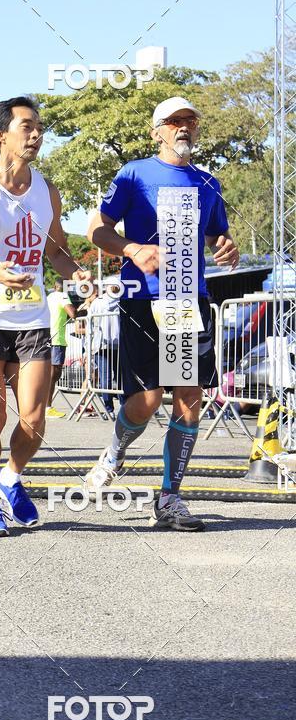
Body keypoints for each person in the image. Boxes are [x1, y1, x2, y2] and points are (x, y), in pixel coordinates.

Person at [85, 96, 239, 531]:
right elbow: (96, 230)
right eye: (174, 121)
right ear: (158, 131)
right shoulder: (134, 174)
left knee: (189, 396)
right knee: (149, 398)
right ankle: (115, 451)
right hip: (141, 296)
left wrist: (226, 246)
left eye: (190, 120)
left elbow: (218, 237)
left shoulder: (208, 183)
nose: (184, 127)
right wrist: (132, 248)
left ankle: (170, 498)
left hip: (187, 300)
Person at [0, 96, 89, 536]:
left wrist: (78, 275)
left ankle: (12, 476)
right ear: (1, 134)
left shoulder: (46, 190)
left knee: (33, 419)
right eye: (27, 127)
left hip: (32, 319)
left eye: (39, 128)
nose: (36, 135)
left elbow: (55, 250)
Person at [88, 277, 120, 418]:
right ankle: (109, 408)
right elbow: (89, 324)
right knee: (106, 378)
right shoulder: (98, 302)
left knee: (119, 378)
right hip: (102, 345)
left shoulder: (123, 301)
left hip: (117, 345)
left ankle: (121, 408)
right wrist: (88, 346)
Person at [46, 277, 77, 418]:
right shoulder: (63, 296)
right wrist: (87, 311)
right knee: (54, 375)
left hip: (46, 337)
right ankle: (47, 407)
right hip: (57, 339)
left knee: (47, 375)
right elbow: (73, 313)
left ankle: (42, 406)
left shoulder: (49, 296)